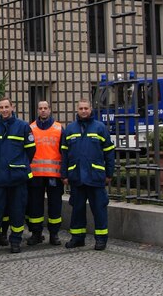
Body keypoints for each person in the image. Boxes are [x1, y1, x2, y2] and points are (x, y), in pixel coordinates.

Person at [61, 98, 116, 251]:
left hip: (95, 177)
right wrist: (64, 174)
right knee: (77, 209)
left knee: (99, 209)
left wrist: (109, 173)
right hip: (76, 177)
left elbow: (109, 153)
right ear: (77, 110)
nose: (84, 111)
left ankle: (101, 239)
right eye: (81, 108)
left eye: (86, 108)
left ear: (91, 109)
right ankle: (77, 238)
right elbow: (64, 154)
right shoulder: (70, 129)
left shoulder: (100, 128)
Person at [0, 97, 35, 254]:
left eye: (7, 106)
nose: (4, 110)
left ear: (13, 107)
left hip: (17, 178)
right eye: (1, 107)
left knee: (17, 210)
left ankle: (15, 241)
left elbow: (31, 150)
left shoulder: (23, 127)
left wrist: (20, 165)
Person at [27, 100, 64, 246]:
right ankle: (36, 233)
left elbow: (64, 152)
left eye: (45, 108)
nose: (43, 110)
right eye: (40, 108)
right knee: (35, 206)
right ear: (37, 110)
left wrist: (65, 173)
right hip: (35, 175)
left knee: (55, 206)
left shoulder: (59, 128)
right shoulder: (30, 128)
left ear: (50, 110)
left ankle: (54, 234)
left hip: (54, 175)